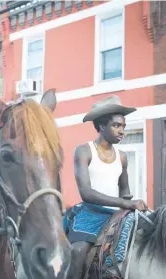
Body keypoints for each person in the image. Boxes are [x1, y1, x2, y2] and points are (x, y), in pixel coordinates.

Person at [63, 96, 148, 279]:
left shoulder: (122, 156)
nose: (122, 131)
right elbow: (86, 193)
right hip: (91, 213)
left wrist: (130, 206)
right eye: (117, 125)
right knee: (78, 252)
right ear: (102, 126)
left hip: (118, 216)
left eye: (123, 126)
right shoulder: (84, 151)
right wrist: (128, 204)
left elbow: (125, 192)